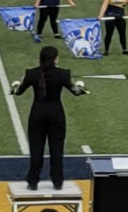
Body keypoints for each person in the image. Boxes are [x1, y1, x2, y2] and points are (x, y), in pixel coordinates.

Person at [14, 46, 87, 190]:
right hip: (56, 113)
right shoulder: (63, 74)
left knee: (36, 149)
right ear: (55, 59)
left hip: (37, 113)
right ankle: (57, 181)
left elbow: (18, 91)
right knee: (57, 149)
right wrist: (81, 86)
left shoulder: (31, 73)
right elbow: (77, 92)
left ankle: (33, 181)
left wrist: (15, 85)